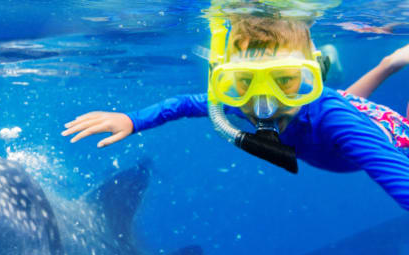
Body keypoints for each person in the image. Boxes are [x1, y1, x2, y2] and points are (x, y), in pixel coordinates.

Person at [62, 15, 409, 210]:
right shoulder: (233, 103)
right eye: (244, 82)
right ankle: (389, 62)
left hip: (390, 130)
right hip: (336, 113)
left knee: (338, 111)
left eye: (284, 81)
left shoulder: (339, 122)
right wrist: (132, 120)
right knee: (336, 106)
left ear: (308, 76)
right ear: (226, 80)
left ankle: (391, 62)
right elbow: (183, 104)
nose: (263, 103)